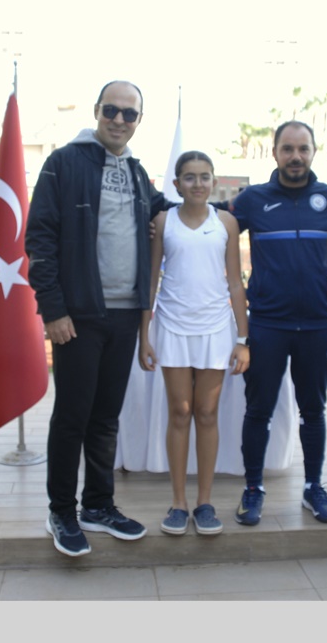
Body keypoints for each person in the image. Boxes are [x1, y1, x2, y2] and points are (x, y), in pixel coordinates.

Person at [25, 80, 173, 557]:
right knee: (72, 417)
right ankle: (61, 512)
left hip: (126, 314)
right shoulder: (63, 163)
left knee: (106, 418)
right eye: (112, 110)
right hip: (78, 315)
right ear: (96, 111)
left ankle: (98, 505)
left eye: (129, 114)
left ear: (138, 121)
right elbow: (40, 238)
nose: (119, 120)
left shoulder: (137, 172)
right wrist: (53, 309)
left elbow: (169, 214)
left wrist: (225, 213)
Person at [227, 120, 327, 526]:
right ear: (275, 153)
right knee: (258, 411)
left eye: (303, 149)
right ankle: (253, 488)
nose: (295, 156)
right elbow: (211, 222)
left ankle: (313, 486)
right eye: (288, 149)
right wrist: (161, 217)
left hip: (317, 325)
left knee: (313, 411)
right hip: (267, 325)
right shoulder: (253, 200)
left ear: (314, 152)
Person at [138, 151, 250, 537]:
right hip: (171, 328)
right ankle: (177, 503)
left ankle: (204, 502)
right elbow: (151, 281)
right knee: (179, 412)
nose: (198, 184)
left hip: (216, 331)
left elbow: (235, 282)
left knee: (206, 413)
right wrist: (144, 335)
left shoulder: (227, 223)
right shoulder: (163, 222)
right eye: (189, 177)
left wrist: (242, 339)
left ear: (214, 181)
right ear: (176, 184)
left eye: (204, 177)